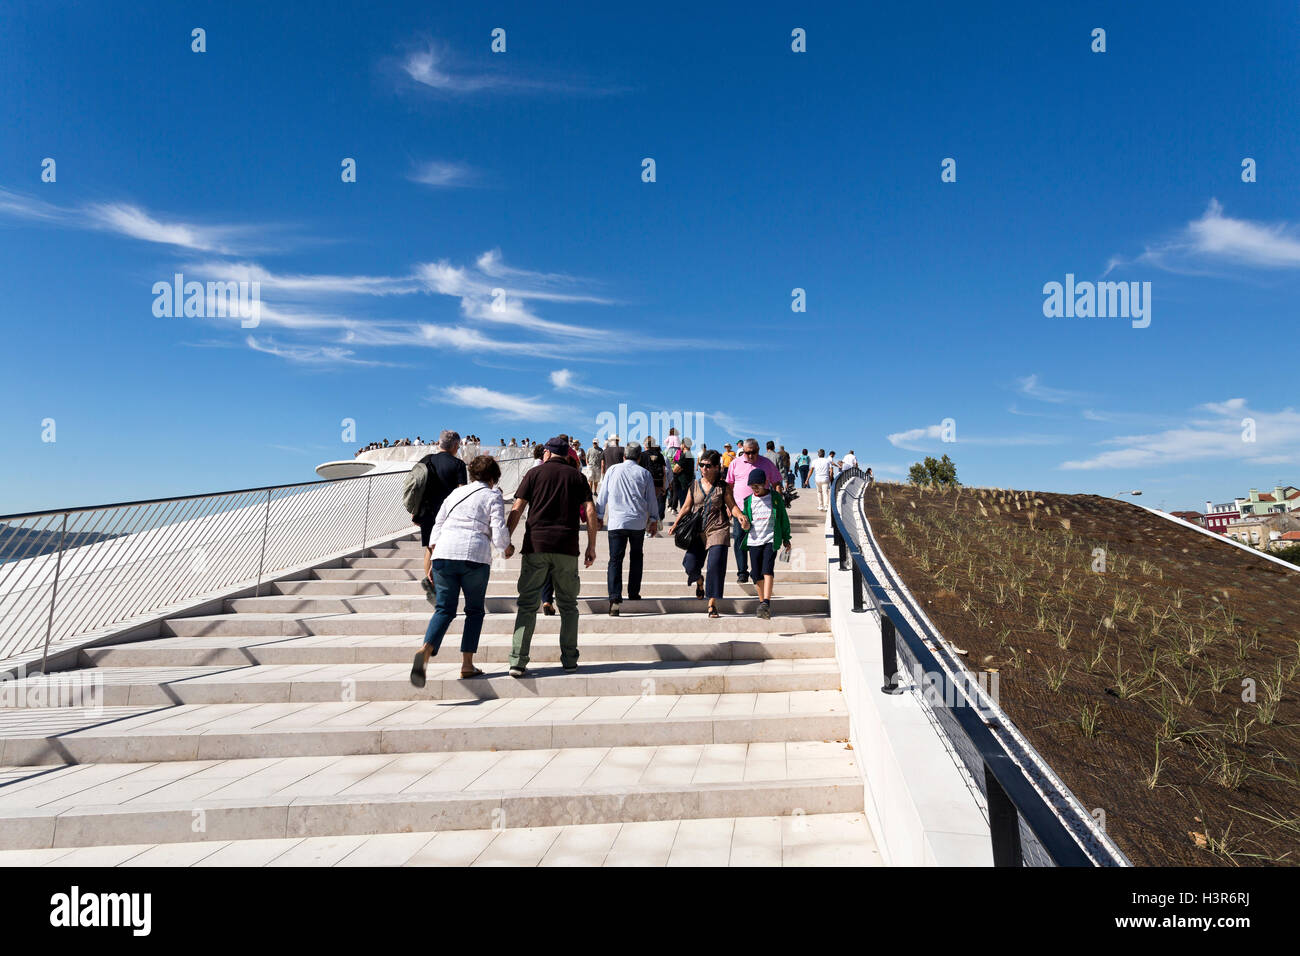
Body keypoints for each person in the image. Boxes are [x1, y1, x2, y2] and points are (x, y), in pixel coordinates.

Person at [410, 455, 513, 687]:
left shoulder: (455, 494)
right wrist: (505, 547)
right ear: (493, 476)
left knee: (444, 609)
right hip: (473, 556)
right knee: (474, 611)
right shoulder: (492, 494)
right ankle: (467, 665)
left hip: (443, 554)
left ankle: (426, 648)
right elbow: (497, 526)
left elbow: (438, 522)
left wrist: (434, 556)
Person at [506, 436, 598, 678]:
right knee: (569, 606)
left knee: (527, 604)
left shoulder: (533, 474)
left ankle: (517, 661)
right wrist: (591, 546)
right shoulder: (577, 477)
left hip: (536, 545)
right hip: (566, 547)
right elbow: (590, 509)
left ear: (547, 453)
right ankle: (569, 660)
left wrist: (505, 539)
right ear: (567, 455)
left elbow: (518, 507)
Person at [596, 441, 660, 615]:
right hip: (637, 523)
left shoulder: (612, 470)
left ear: (624, 456)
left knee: (615, 560)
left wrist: (599, 516)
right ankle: (633, 592)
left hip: (616, 522)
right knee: (636, 557)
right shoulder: (645, 473)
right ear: (639, 458)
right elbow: (651, 500)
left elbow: (602, 496)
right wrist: (653, 519)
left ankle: (615, 598)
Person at [669, 448, 730, 619]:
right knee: (690, 565)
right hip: (697, 531)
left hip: (718, 529)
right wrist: (675, 523)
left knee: (715, 566)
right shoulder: (694, 485)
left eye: (708, 465)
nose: (704, 468)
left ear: (717, 467)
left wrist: (741, 517)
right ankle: (699, 581)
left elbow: (732, 506)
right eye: (701, 465)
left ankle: (712, 604)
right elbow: (687, 506)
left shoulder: (723, 487)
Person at [411, 430, 468, 596]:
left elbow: (417, 486)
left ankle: (430, 583)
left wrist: (415, 510)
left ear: (439, 443)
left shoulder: (427, 461)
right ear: (455, 445)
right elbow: (461, 492)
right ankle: (440, 583)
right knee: (446, 547)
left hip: (427, 511)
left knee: (430, 547)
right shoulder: (458, 465)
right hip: (448, 514)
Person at [724, 439, 782, 584]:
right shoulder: (735, 463)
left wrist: (778, 503)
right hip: (741, 510)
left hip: (763, 510)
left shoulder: (766, 463)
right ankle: (742, 572)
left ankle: (758, 571)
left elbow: (776, 483)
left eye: (753, 452)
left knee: (760, 542)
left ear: (758, 450)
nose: (750, 455)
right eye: (747, 453)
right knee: (739, 538)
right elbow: (729, 487)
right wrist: (729, 506)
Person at [736, 469, 791, 619]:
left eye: (757, 486)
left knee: (767, 569)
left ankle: (766, 601)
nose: (755, 489)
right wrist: (744, 525)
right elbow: (746, 524)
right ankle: (762, 604)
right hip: (754, 541)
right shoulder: (748, 501)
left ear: (765, 483)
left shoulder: (774, 498)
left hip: (770, 539)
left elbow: (783, 519)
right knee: (756, 573)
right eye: (752, 486)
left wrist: (786, 538)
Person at [641, 436, 669, 523]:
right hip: (658, 483)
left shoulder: (642, 455)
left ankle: (647, 526)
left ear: (645, 445)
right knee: (655, 504)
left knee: (646, 505)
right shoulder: (660, 455)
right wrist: (664, 486)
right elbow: (664, 472)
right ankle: (655, 522)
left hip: (646, 483)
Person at [670, 437, 695, 513]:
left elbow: (675, 469)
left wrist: (677, 468)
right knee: (686, 505)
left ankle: (684, 523)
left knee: (683, 506)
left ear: (684, 445)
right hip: (688, 482)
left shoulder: (684, 455)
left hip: (682, 484)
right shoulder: (690, 455)